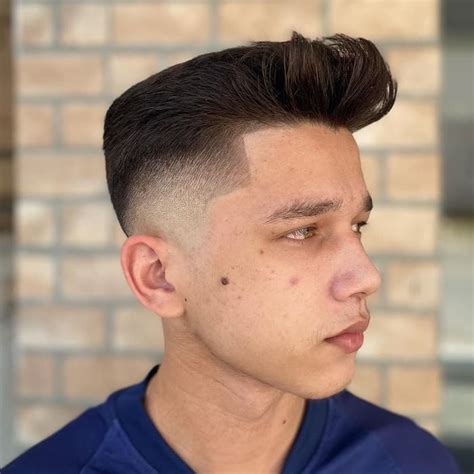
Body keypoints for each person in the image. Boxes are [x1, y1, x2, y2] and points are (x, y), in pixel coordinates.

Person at [2, 31, 460, 474]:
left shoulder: (410, 462)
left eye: (357, 226)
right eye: (303, 231)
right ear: (158, 276)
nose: (366, 276)